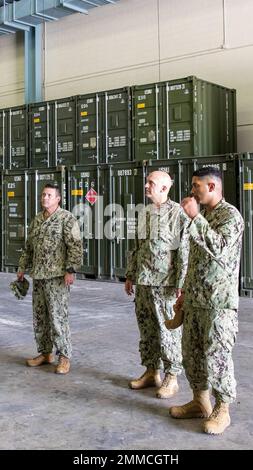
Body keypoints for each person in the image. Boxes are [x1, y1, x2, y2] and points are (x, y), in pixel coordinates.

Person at [169, 166, 244, 435]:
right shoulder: (203, 216)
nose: (192, 191)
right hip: (196, 300)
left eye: (197, 186)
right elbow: (195, 262)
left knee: (218, 356)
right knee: (192, 354)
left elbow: (219, 249)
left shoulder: (230, 216)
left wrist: (195, 218)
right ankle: (200, 401)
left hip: (218, 304)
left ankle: (222, 408)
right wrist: (185, 293)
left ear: (212, 187)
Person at [125, 170, 189, 398]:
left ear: (164, 188)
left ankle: (172, 377)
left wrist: (181, 284)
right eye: (146, 182)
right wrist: (130, 274)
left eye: (150, 183)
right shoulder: (144, 213)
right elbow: (137, 247)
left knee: (167, 331)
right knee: (147, 329)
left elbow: (184, 252)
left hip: (166, 285)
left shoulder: (178, 214)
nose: (146, 186)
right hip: (143, 281)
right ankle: (152, 371)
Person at [17, 183, 83, 375]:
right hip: (38, 275)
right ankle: (45, 353)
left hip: (57, 278)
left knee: (57, 317)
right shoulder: (37, 220)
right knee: (40, 317)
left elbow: (76, 247)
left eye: (48, 195)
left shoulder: (67, 219)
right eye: (43, 195)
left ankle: (64, 356)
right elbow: (29, 247)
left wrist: (70, 270)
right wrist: (22, 268)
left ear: (58, 198)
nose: (44, 198)